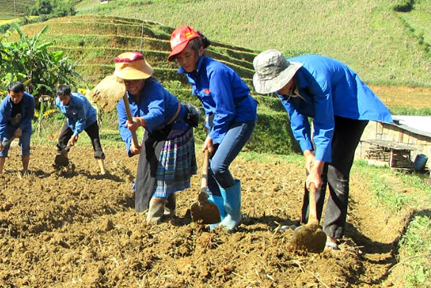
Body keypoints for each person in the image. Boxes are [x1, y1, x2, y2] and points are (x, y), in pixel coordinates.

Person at [252, 49, 392, 249]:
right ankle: (308, 224)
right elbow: (296, 118)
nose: (277, 90)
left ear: (288, 75)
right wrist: (308, 153)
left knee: (336, 168)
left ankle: (331, 234)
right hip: (328, 111)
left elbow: (325, 125)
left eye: (278, 84)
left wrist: (319, 165)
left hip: (351, 110)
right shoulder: (281, 86)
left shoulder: (317, 78)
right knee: (314, 169)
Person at [168, 25, 258, 231]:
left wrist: (214, 136)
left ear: (200, 50)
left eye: (187, 55)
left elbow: (226, 110)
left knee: (218, 165)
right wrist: (211, 130)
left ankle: (234, 215)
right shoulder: (191, 72)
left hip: (240, 118)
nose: (183, 62)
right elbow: (211, 107)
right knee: (209, 170)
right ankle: (219, 214)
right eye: (178, 58)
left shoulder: (215, 72)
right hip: (218, 119)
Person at [114, 51, 197, 223]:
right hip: (153, 130)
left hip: (175, 126)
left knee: (163, 172)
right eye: (127, 81)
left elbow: (157, 114)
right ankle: (169, 210)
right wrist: (130, 142)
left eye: (135, 79)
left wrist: (140, 121)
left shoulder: (153, 88)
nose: (131, 85)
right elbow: (123, 124)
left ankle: (154, 218)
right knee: (150, 171)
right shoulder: (122, 97)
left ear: (143, 77)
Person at [55, 85, 106, 173]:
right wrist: (73, 132)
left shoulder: (79, 102)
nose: (62, 102)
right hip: (72, 119)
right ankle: (66, 166)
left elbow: (82, 120)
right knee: (62, 140)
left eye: (65, 98)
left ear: (69, 95)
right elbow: (68, 115)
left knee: (95, 142)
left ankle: (103, 171)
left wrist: (75, 134)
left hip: (89, 120)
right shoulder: (58, 102)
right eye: (61, 99)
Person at [0, 81, 35, 175]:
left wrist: (21, 128)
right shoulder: (4, 104)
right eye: (13, 96)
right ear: (9, 93)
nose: (15, 99)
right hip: (8, 127)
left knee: (25, 146)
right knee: (2, 148)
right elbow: (1, 123)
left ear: (23, 93)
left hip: (24, 126)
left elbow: (29, 116)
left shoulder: (29, 99)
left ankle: (25, 170)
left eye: (18, 96)